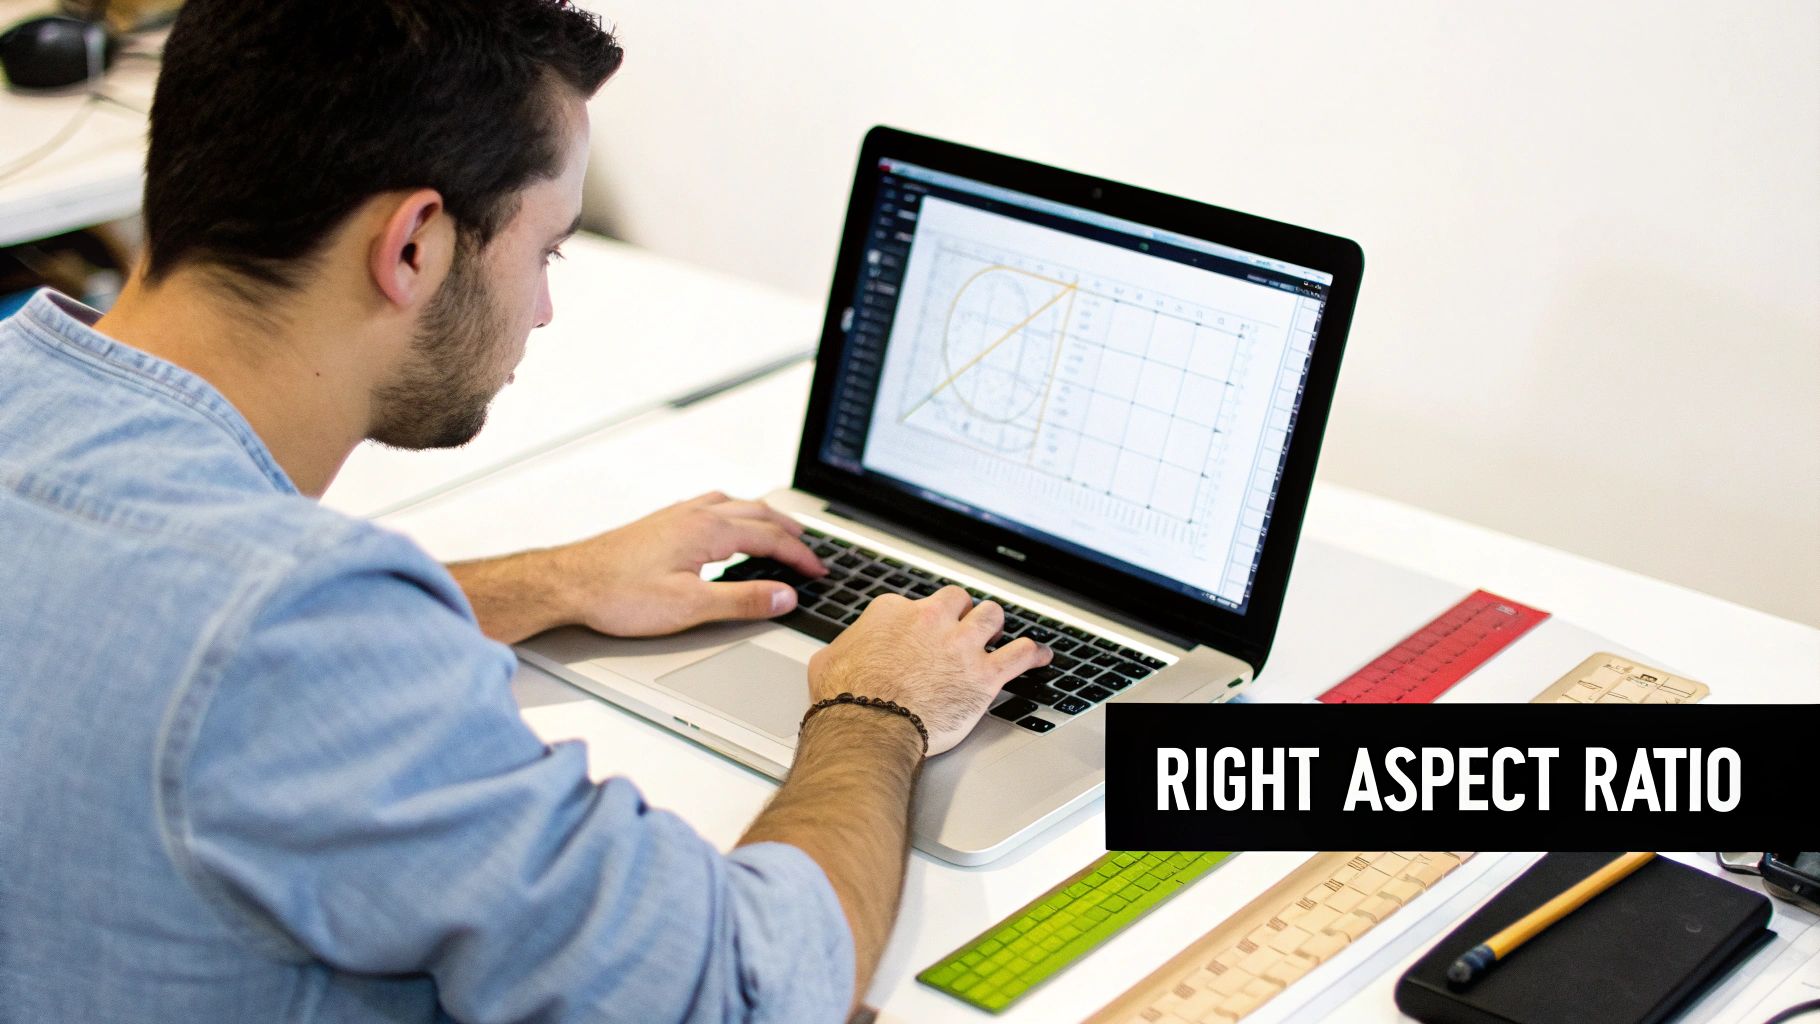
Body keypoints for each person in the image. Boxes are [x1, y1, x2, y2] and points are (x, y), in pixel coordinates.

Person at [0, 3, 1051, 1022]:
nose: (543, 307)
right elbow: (751, 989)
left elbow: (164, 614)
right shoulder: (293, 631)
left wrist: (549, 581)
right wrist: (877, 707)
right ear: (413, 243)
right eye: (545, 249)